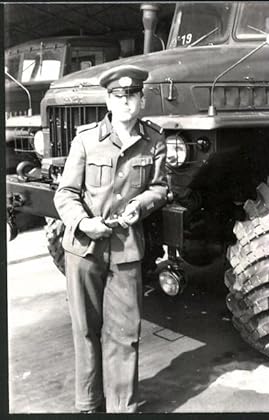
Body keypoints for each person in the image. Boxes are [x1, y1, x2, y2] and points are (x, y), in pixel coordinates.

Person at [54, 64, 168, 413]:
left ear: (141, 99)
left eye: (131, 95)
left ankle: (122, 406)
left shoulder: (155, 140)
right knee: (86, 330)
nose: (125, 102)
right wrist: (83, 223)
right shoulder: (86, 139)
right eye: (118, 96)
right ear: (108, 99)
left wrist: (141, 204)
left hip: (126, 248)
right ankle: (89, 403)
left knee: (124, 333)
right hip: (84, 249)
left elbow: (161, 188)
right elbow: (65, 194)